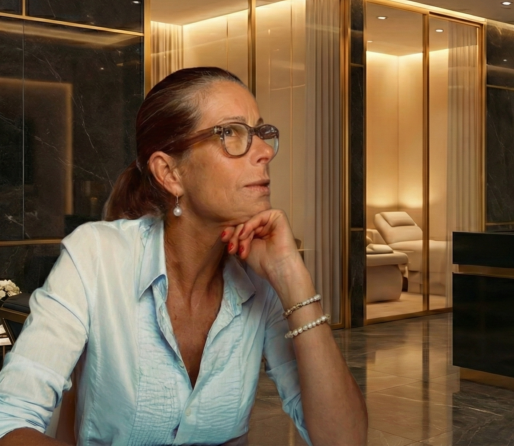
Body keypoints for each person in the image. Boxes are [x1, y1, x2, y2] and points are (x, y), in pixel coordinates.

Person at [0, 67, 367, 445]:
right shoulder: (97, 256)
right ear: (170, 173)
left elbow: (345, 440)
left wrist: (292, 277)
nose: (264, 151)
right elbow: (10, 422)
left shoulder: (260, 279)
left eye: (261, 133)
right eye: (231, 133)